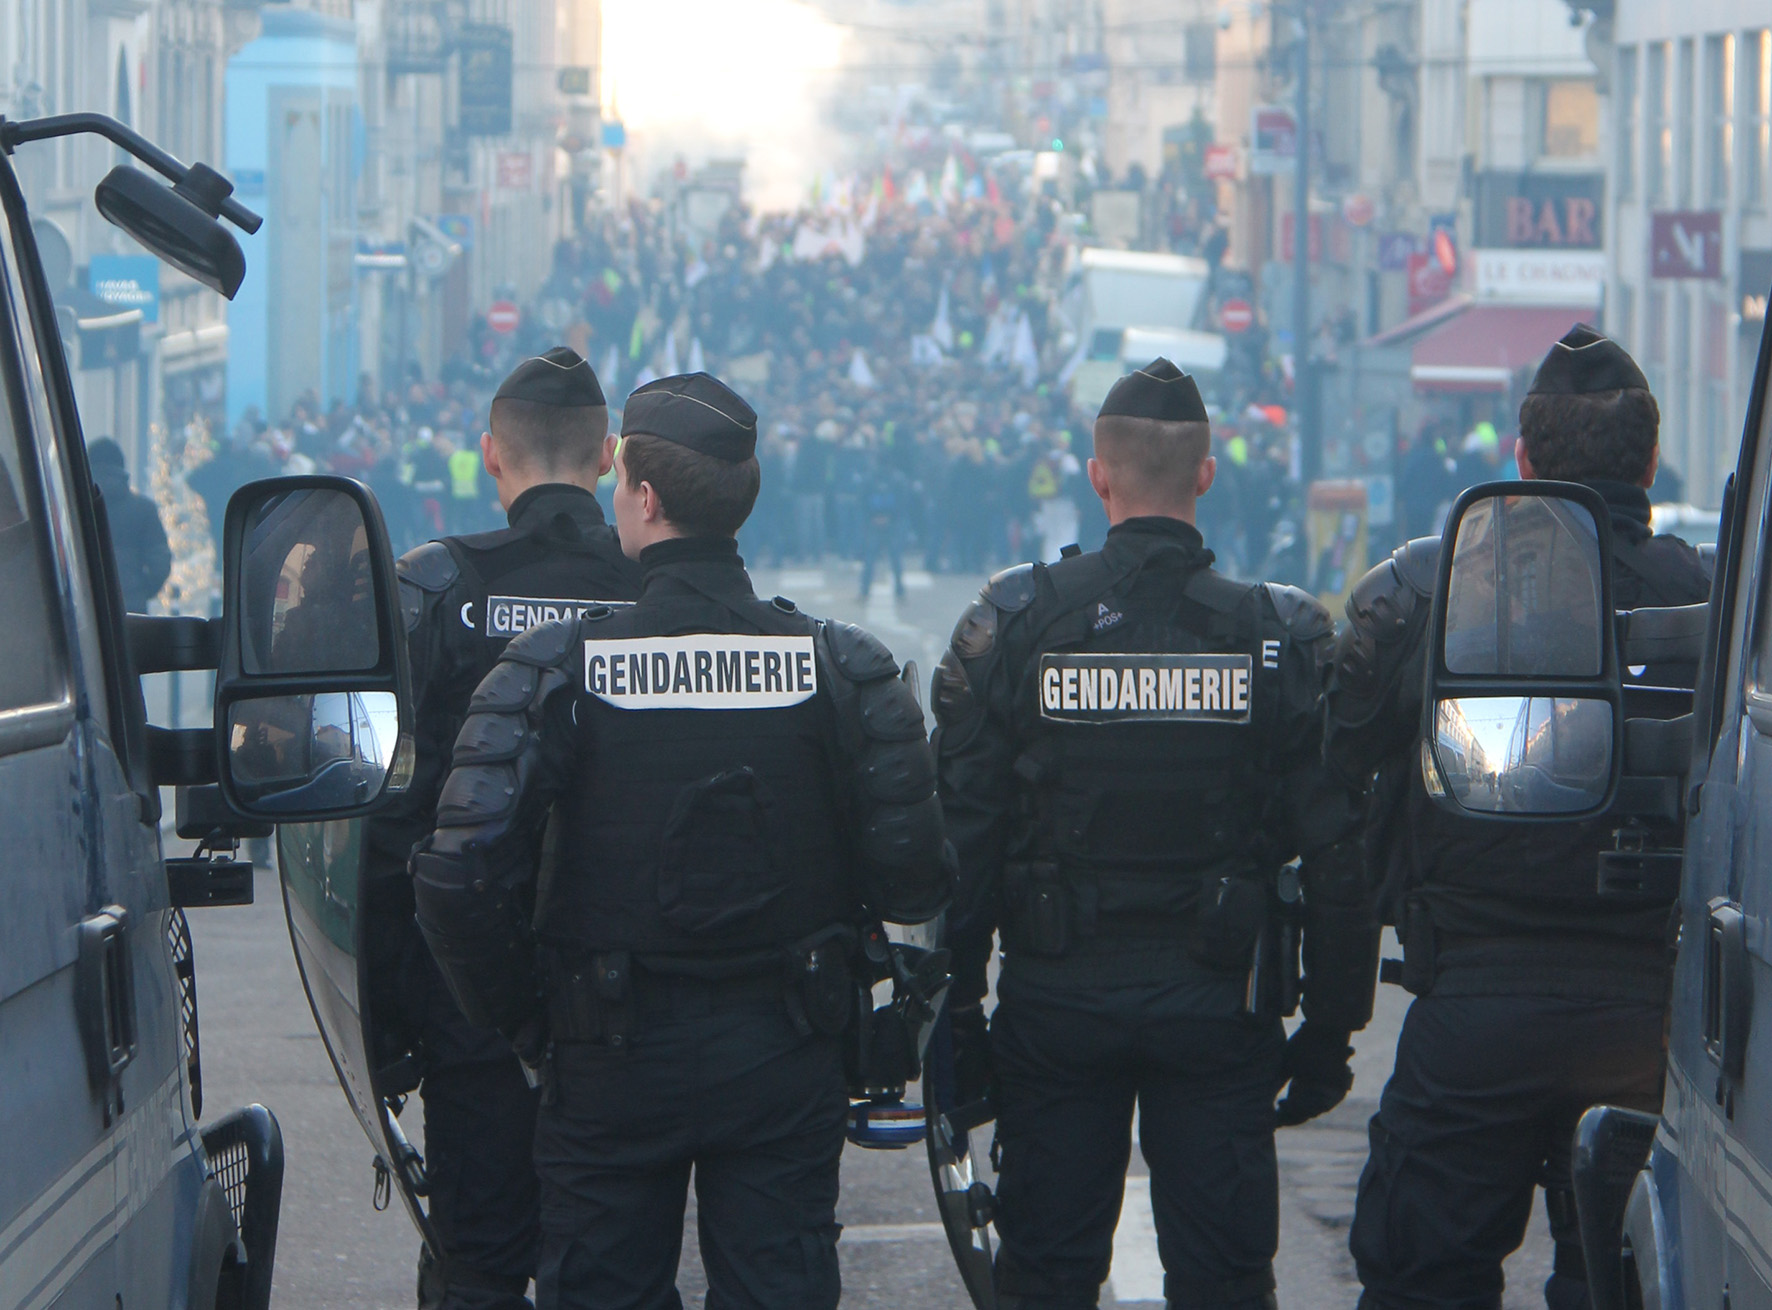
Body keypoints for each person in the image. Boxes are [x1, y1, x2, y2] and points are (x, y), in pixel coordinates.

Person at [410, 371, 953, 1310]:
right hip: (784, 1053)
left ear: (646, 499)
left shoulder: (553, 665)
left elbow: (457, 872)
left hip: (609, 1054)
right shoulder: (843, 664)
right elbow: (915, 879)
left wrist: (532, 1022)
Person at [934, 357, 1379, 1309]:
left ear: (1099, 475)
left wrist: (957, 1013)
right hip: (1219, 1009)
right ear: (1206, 476)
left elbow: (962, 841)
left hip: (1059, 1003)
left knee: (1045, 1276)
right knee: (1222, 1281)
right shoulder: (1280, 638)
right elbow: (1342, 853)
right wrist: (1333, 1031)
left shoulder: (1017, 624)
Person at [1327, 325, 1712, 1310]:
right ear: (1649, 461)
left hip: (1473, 998)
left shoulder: (1421, 592)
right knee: (1627, 1275)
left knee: (1421, 1275)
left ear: (1521, 460)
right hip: (1647, 1008)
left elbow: (1330, 781)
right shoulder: (1709, 603)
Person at [365, 347, 642, 1310]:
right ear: (608, 457)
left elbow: (389, 827)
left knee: (479, 1259)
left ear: (492, 454)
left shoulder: (439, 587)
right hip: (633, 994)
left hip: (472, 990)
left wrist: (390, 1010)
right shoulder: (665, 595)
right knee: (618, 1259)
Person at [88, 437, 171, 613]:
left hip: (86, 608)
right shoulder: (143, 509)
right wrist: (141, 590)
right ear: (121, 469)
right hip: (131, 609)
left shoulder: (76, 510)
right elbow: (160, 561)